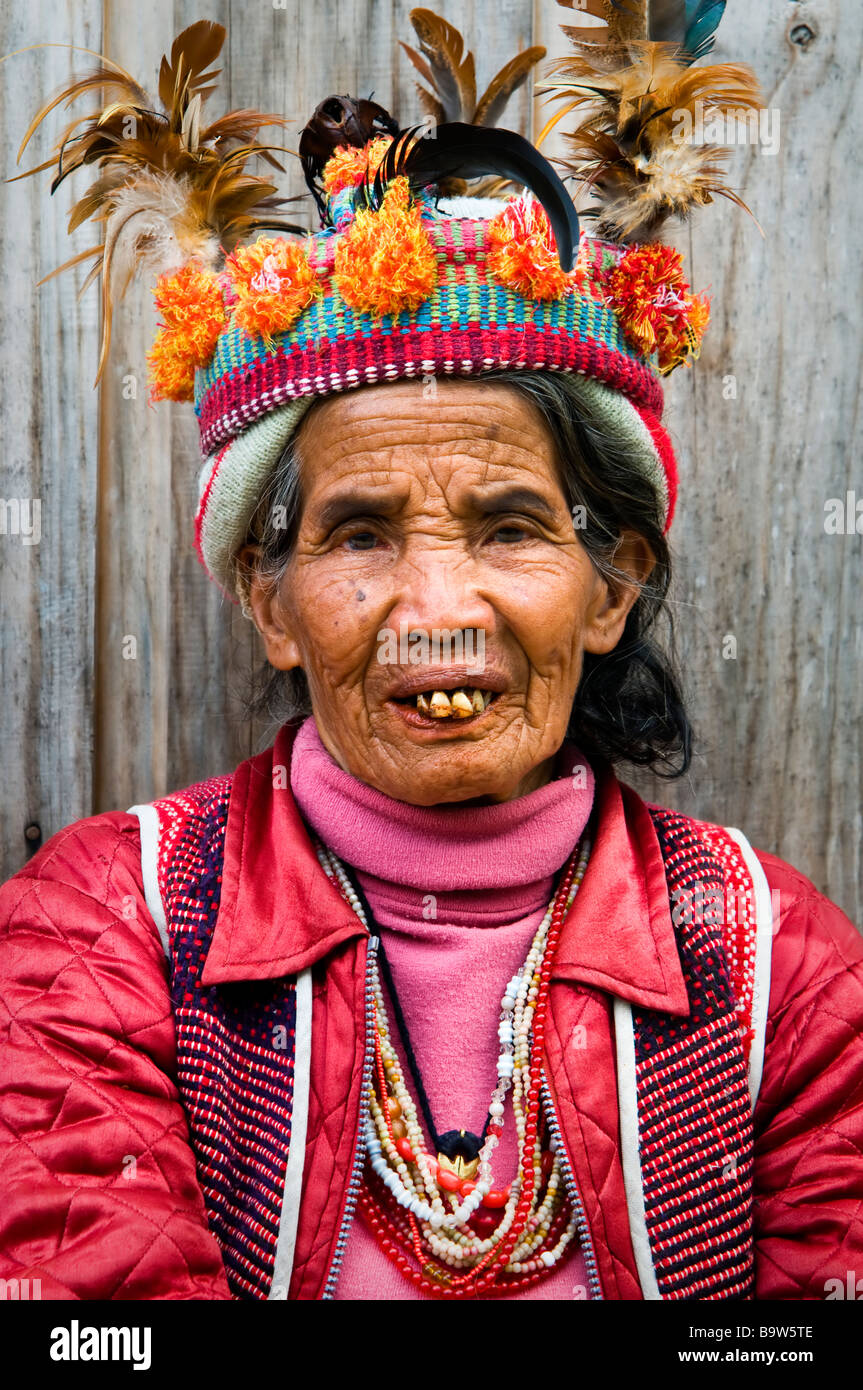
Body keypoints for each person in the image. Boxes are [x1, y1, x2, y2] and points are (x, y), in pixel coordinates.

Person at [1, 9, 861, 1302]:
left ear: (611, 586)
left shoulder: (773, 965)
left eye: (511, 525)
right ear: (271, 601)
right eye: (358, 534)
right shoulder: (105, 930)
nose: (436, 608)